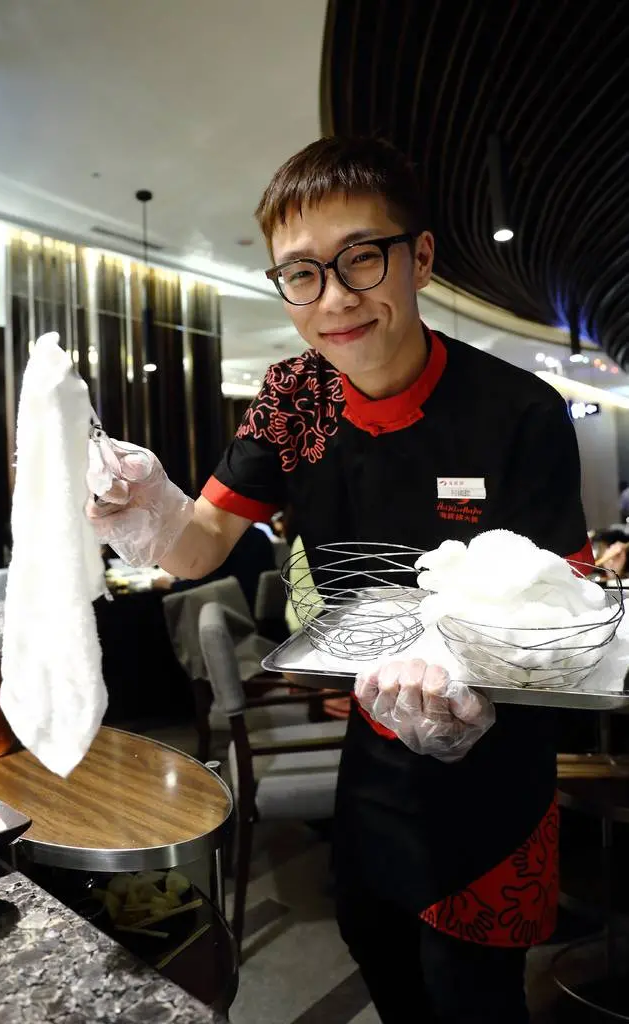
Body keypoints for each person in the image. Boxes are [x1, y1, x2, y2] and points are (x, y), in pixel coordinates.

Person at [87, 137, 592, 1023]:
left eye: (361, 258)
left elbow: (565, 600)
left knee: (471, 991)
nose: (334, 298)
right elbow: (198, 548)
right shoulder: (294, 398)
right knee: (374, 941)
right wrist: (145, 505)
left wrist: (466, 677)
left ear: (419, 258)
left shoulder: (517, 410)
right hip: (373, 741)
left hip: (496, 762)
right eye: (301, 273)